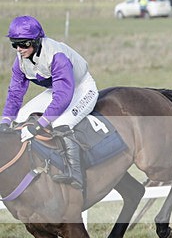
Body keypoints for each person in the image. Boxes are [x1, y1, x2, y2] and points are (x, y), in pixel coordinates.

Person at [0, 16, 98, 190]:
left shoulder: (56, 56)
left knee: (60, 122)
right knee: (21, 116)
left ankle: (76, 174)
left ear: (36, 41)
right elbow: (15, 93)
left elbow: (63, 96)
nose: (19, 49)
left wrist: (39, 125)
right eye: (15, 44)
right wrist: (5, 121)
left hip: (81, 88)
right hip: (58, 89)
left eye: (23, 44)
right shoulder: (20, 62)